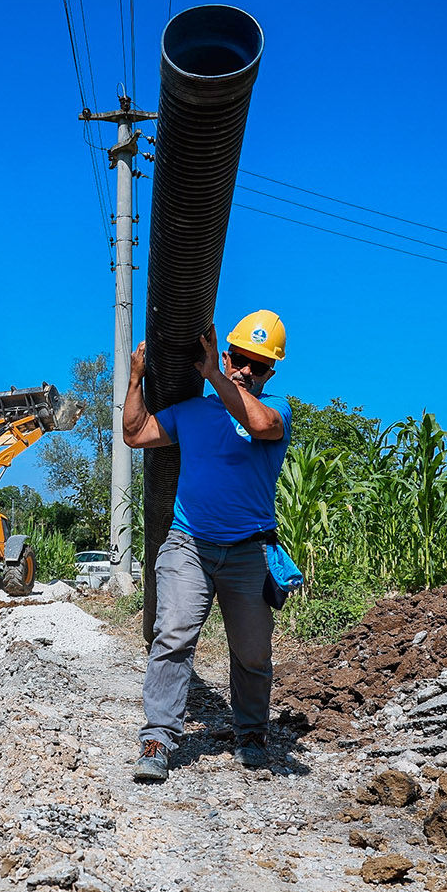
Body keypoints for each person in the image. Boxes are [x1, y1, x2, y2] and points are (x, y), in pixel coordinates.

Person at [121, 310, 292, 782]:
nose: (245, 370)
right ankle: (157, 736)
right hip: (189, 543)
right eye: (238, 358)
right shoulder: (193, 414)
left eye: (256, 366)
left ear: (269, 372)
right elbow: (134, 435)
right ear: (226, 351)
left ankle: (252, 733)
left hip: (249, 551)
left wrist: (215, 375)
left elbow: (258, 426)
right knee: (173, 633)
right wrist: (136, 380)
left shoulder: (277, 411)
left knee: (253, 652)